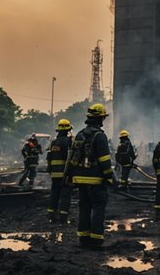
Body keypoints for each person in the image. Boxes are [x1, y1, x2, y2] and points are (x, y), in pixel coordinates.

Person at [68, 103, 113, 248]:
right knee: (98, 207)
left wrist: (69, 176)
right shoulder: (100, 136)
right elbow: (105, 161)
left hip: (79, 179)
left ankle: (83, 238)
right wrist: (111, 177)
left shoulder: (80, 135)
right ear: (100, 118)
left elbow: (72, 158)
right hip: (95, 179)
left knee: (84, 207)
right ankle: (96, 239)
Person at [47, 119, 73, 223]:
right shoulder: (69, 142)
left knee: (54, 194)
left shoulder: (53, 142)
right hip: (65, 174)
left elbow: (49, 158)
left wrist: (50, 171)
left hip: (54, 173)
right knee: (66, 195)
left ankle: (51, 216)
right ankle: (63, 217)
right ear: (68, 130)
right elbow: (70, 157)